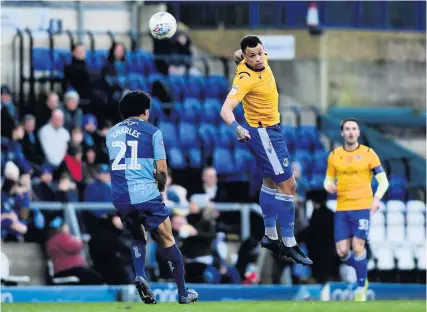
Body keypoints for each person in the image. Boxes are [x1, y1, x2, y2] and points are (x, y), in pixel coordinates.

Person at [220, 35, 312, 265]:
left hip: (273, 130)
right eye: (253, 56)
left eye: (261, 53)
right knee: (289, 186)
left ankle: (270, 236)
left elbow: (237, 54)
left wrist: (241, 55)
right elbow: (225, 110)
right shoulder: (244, 78)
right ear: (247, 58)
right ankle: (289, 242)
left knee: (270, 182)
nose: (259, 58)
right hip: (262, 133)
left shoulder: (256, 59)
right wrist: (237, 128)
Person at [105, 91, 198, 304]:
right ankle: (183, 293)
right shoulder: (152, 132)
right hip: (145, 192)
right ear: (146, 111)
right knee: (167, 238)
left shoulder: (111, 133)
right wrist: (161, 189)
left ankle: (140, 274)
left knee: (137, 235)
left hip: (121, 196)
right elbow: (162, 171)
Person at [323, 118, 389, 302]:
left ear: (358, 133)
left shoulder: (369, 154)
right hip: (342, 208)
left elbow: (383, 181)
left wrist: (376, 199)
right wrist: (328, 185)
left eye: (354, 129)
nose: (351, 132)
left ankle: (361, 286)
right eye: (347, 129)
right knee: (342, 252)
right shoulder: (335, 155)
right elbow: (327, 179)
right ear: (342, 133)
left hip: (362, 206)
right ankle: (362, 270)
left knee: (357, 246)